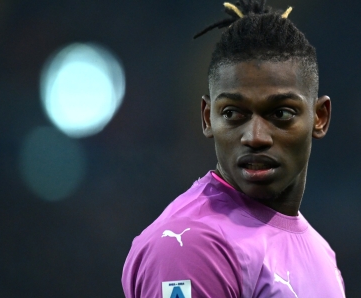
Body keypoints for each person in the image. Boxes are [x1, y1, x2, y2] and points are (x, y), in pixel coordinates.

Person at [122, 1, 345, 297]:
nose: (254, 137)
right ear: (207, 117)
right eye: (232, 114)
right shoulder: (190, 246)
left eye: (281, 113)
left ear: (320, 117)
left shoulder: (322, 253)